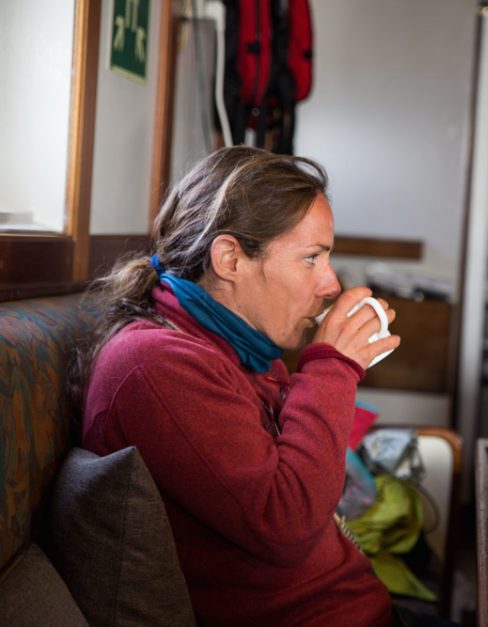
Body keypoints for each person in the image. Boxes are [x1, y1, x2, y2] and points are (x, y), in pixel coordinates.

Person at [76, 146, 407, 626]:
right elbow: (286, 524)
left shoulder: (242, 349)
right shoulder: (156, 365)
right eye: (311, 258)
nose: (331, 284)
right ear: (230, 258)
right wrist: (333, 367)